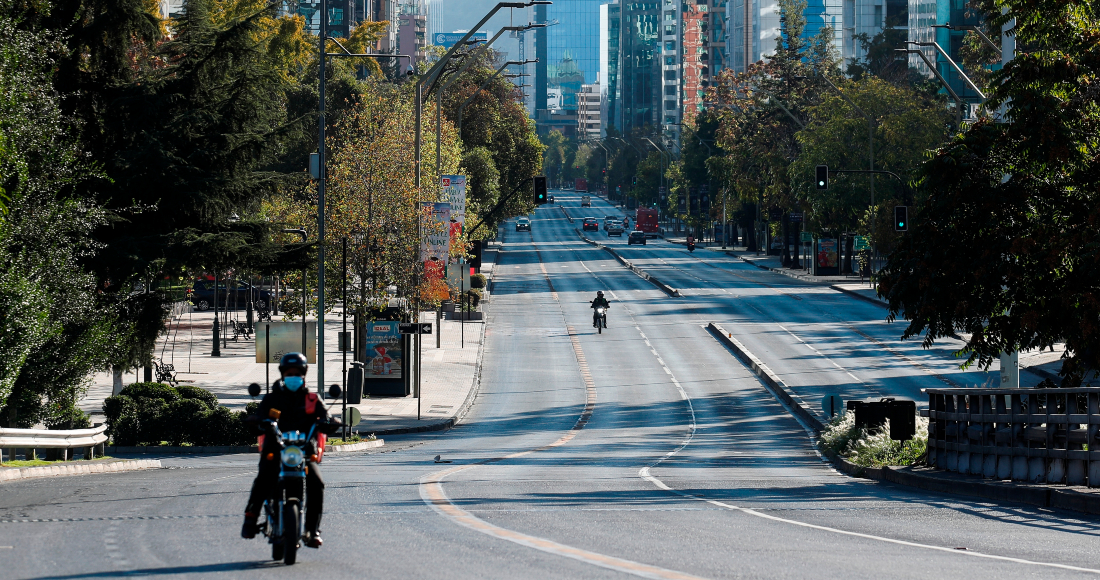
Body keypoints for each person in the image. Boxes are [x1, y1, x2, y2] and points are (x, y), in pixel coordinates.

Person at [241, 352, 340, 548]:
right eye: (289, 372)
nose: (293, 376)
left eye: (297, 373)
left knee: (317, 482)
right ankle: (250, 518)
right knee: (263, 477)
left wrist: (331, 423)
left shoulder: (312, 399)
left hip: (303, 451)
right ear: (283, 374)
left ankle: (312, 529)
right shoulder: (272, 399)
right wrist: (256, 420)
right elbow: (260, 416)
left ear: (303, 374)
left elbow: (325, 417)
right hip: (275, 449)